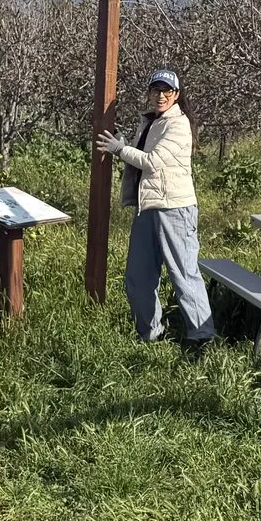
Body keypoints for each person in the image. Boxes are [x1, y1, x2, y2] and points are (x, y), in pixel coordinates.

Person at [94, 67, 214, 351]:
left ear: (176, 95)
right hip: (147, 207)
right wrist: (125, 146)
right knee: (139, 276)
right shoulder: (151, 121)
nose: (161, 96)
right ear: (149, 92)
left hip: (175, 208)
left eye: (167, 91)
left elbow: (153, 162)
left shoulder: (178, 124)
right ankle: (150, 335)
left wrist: (119, 149)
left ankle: (201, 337)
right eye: (156, 90)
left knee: (183, 273)